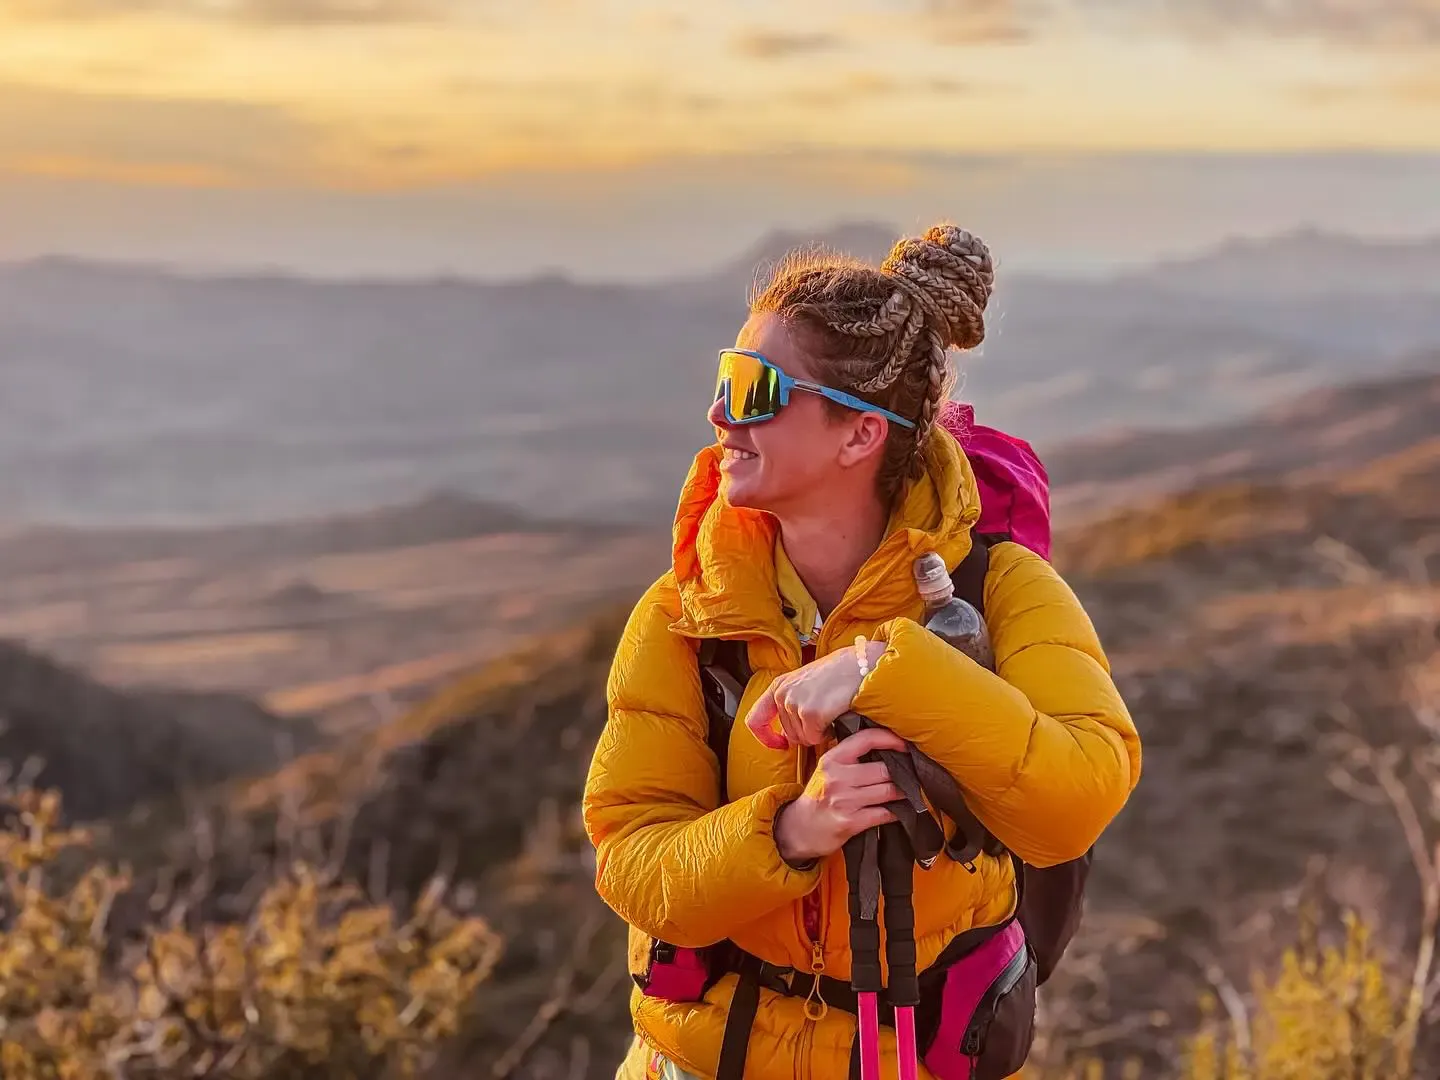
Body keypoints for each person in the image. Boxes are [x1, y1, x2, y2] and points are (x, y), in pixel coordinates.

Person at [582, 224, 1142, 1080]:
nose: (719, 412)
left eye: (754, 387)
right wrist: (797, 829)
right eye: (723, 377)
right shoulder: (685, 612)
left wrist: (887, 668)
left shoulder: (1002, 588)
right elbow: (634, 864)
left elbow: (1076, 799)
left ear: (859, 436)